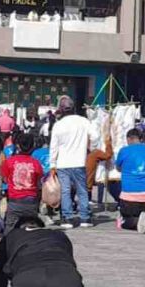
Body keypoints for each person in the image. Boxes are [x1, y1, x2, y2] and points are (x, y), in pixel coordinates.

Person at [49, 96, 98, 229]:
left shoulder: (58, 125)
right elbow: (96, 136)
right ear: (74, 108)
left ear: (61, 110)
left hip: (62, 163)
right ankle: (85, 218)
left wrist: (52, 164)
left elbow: (53, 146)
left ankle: (67, 218)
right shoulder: (83, 121)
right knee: (82, 190)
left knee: (65, 191)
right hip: (79, 161)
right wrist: (91, 149)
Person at [0, 132, 43, 233]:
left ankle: (8, 246)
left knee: (10, 228)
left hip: (15, 201)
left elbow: (5, 179)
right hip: (31, 201)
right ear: (33, 146)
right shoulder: (36, 163)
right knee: (31, 228)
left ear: (18, 146)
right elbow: (38, 181)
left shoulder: (9, 161)